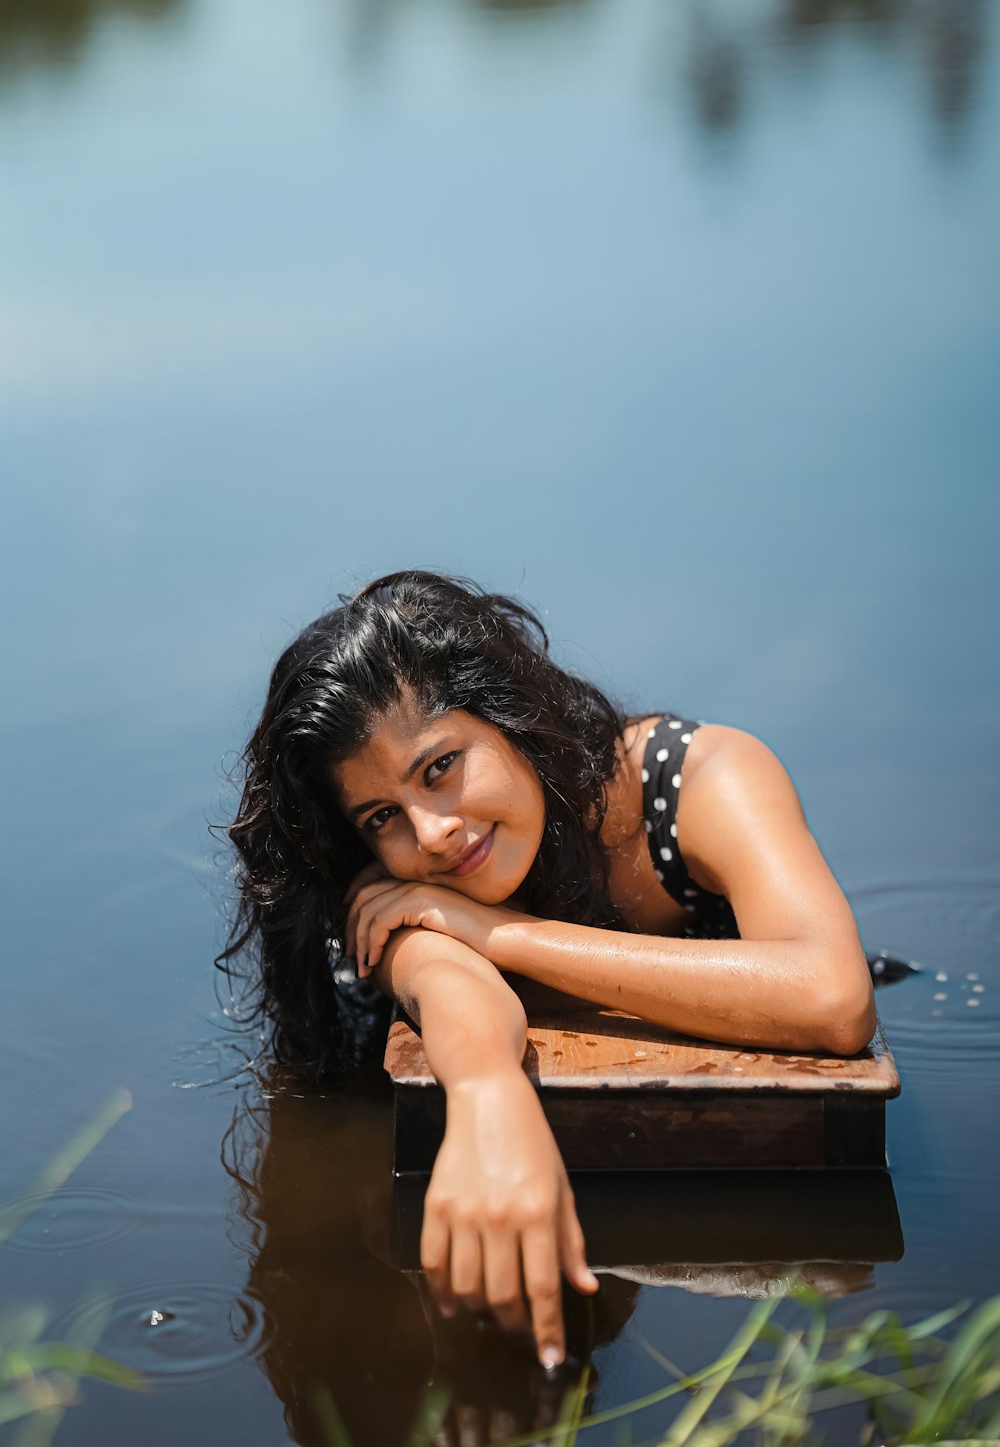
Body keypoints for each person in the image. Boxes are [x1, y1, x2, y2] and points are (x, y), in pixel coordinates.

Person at [221, 569, 876, 1370]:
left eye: (439, 767)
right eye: (383, 815)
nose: (429, 833)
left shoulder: (698, 777)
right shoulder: (395, 888)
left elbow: (834, 998)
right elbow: (448, 986)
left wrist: (504, 935)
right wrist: (490, 1095)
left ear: (513, 718)